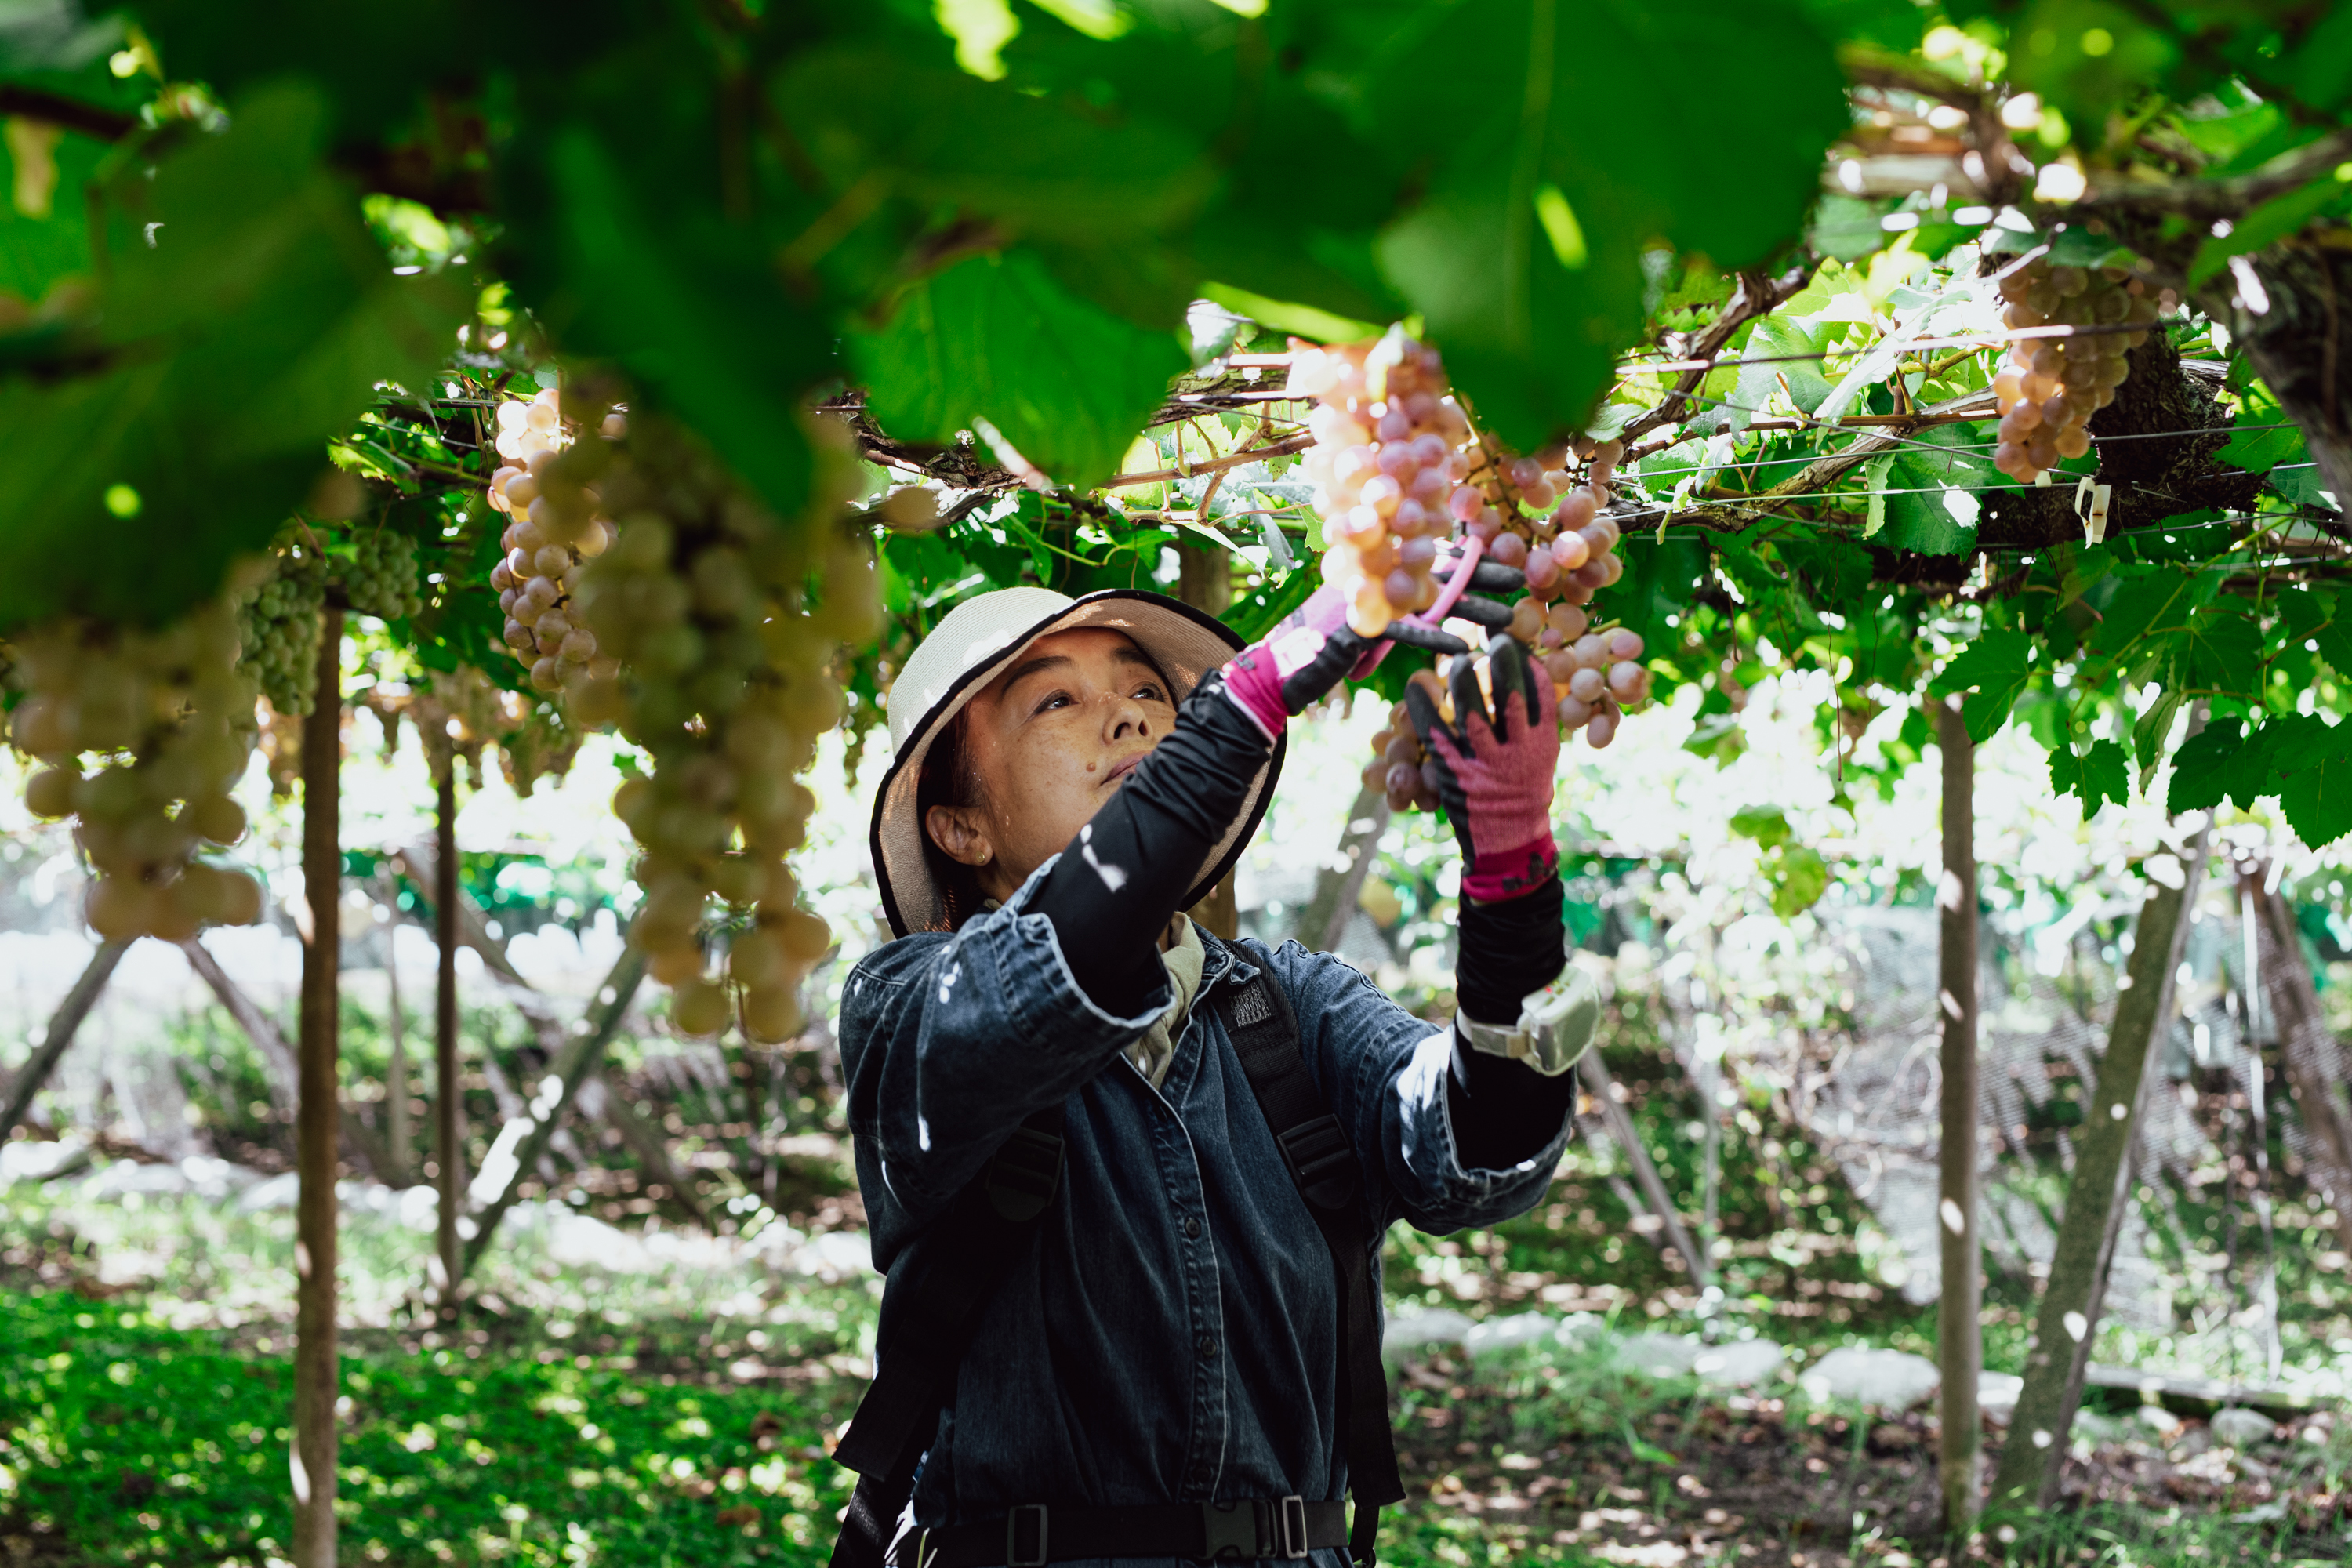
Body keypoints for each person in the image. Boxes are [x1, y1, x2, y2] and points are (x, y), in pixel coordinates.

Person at [835, 579, 1600, 1568]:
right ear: (961, 829)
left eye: (1148, 692)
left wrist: (1511, 892)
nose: (1128, 715)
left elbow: (1474, 1157)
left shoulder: (1294, 1004)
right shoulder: (911, 1006)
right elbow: (1060, 952)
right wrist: (1246, 701)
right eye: (1056, 699)